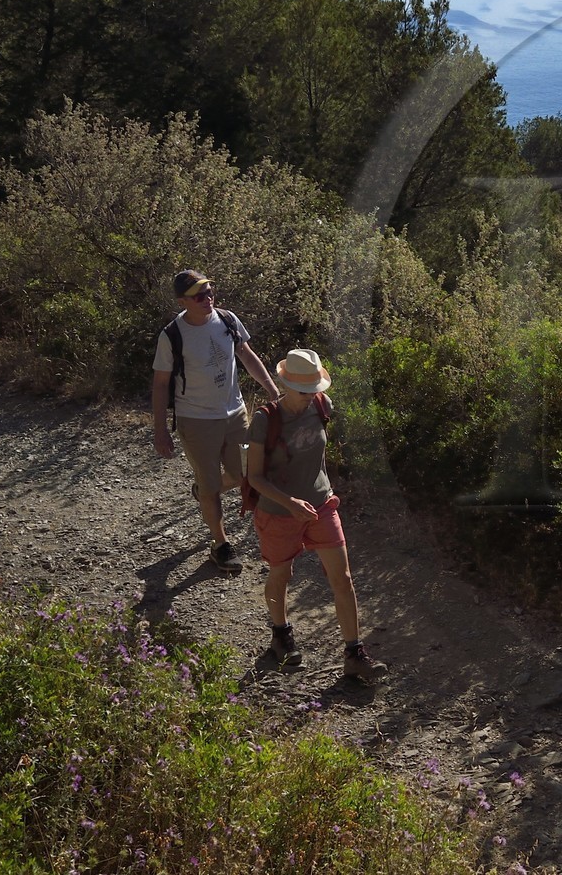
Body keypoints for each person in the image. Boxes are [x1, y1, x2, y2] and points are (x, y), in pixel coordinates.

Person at [246, 348, 387, 685]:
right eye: (306, 390)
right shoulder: (266, 420)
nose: (313, 396)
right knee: (282, 573)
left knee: (344, 578)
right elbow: (254, 478)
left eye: (316, 389)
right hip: (279, 512)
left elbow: (316, 456)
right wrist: (291, 502)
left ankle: (354, 654)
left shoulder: (322, 406)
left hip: (322, 505)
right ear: (286, 386)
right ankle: (281, 635)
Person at [151, 269, 280, 575]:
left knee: (241, 475)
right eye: (199, 295)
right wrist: (159, 429)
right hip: (195, 420)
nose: (207, 298)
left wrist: (273, 391)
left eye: (209, 292)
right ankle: (221, 545)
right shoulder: (172, 336)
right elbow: (160, 384)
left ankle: (205, 489)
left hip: (234, 413)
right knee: (211, 487)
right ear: (183, 301)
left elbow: (246, 355)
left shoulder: (227, 320)